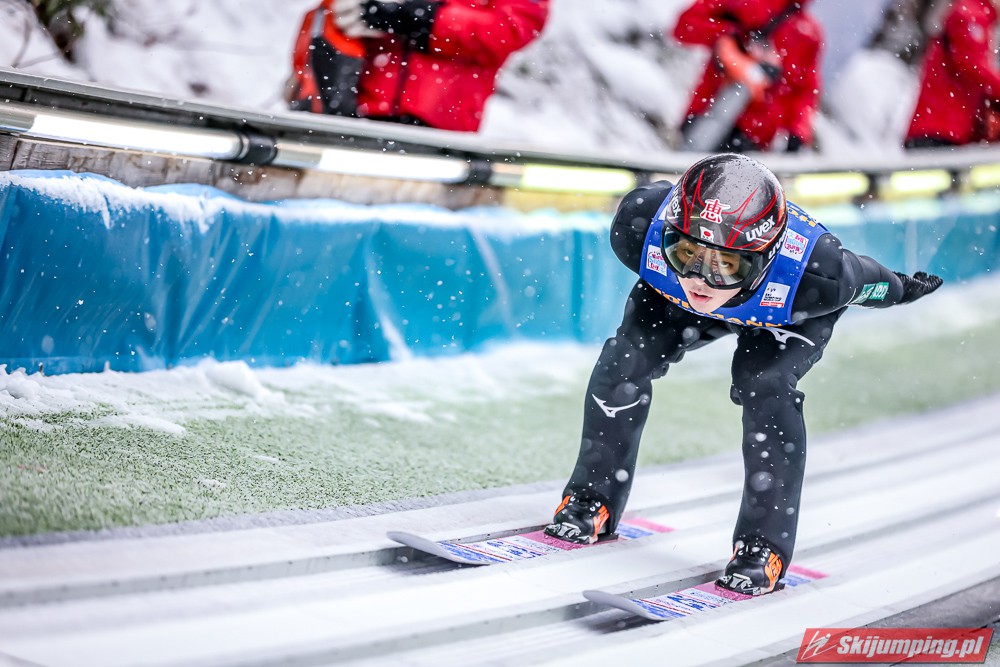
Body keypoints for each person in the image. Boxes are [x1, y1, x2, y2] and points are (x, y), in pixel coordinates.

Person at [544, 154, 943, 596]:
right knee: (624, 360)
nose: (701, 279)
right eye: (686, 252)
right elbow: (694, 275)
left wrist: (903, 289)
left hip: (784, 315)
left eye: (727, 264)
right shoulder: (639, 225)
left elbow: (870, 280)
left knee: (765, 386)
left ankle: (763, 547)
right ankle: (592, 499)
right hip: (678, 301)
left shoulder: (819, 275)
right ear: (667, 234)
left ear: (765, 258)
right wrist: (718, 272)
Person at [289, 0, 549, 132]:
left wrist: (423, 18)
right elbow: (332, 15)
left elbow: (510, 29)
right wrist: (307, 77)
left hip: (437, 131)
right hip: (353, 116)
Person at [672, 0, 823, 153]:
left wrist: (798, 132)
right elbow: (684, 27)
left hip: (752, 140)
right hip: (707, 117)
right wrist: (729, 35)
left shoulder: (807, 33)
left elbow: (805, 90)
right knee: (692, 162)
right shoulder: (741, 3)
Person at [905, 0, 1000, 148]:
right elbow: (970, 64)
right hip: (938, 129)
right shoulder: (972, 14)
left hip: (942, 128)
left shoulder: (977, 15)